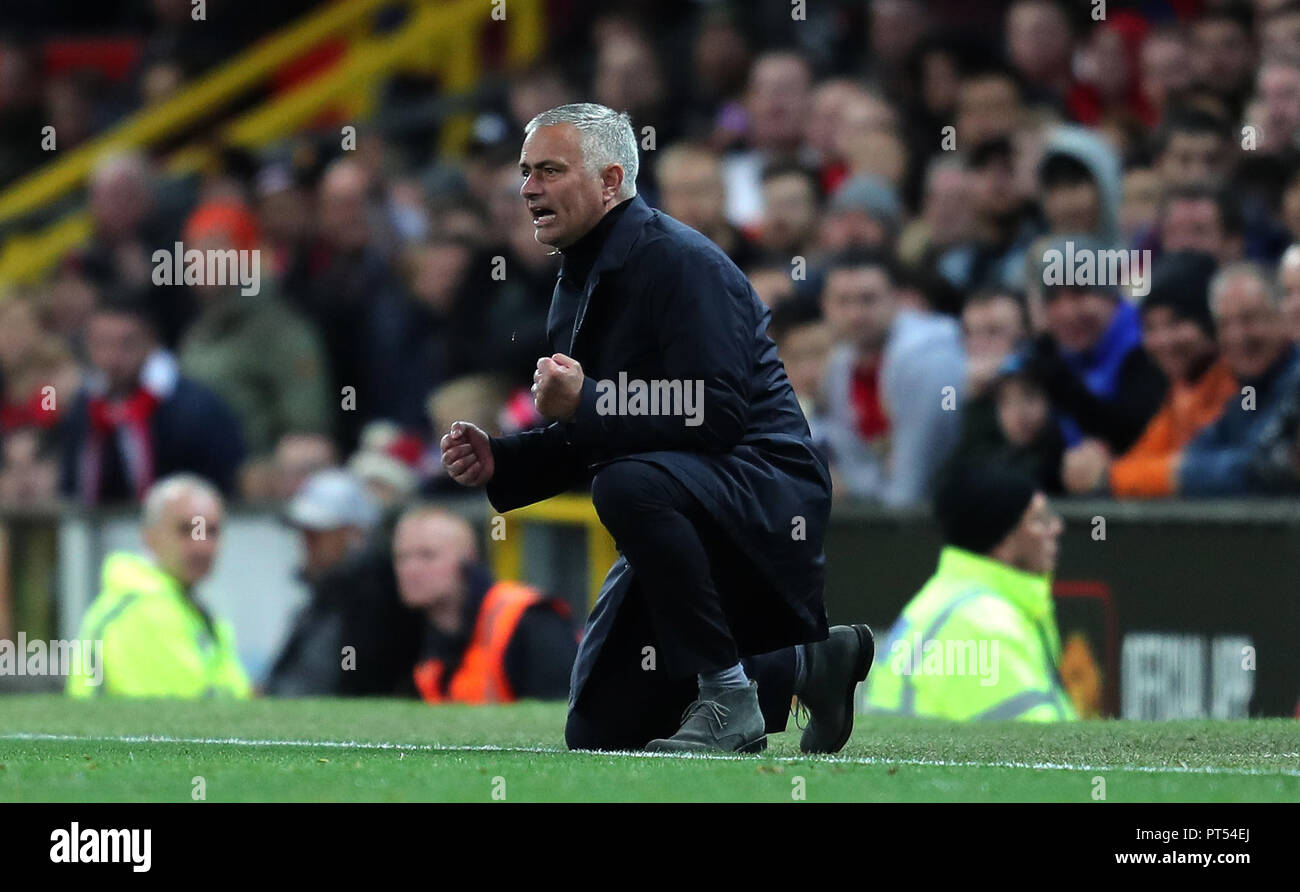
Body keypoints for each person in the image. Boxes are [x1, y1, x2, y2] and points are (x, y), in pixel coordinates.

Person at [439, 103, 872, 754]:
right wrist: (505, 460)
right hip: (681, 491)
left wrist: (590, 399)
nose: (528, 188)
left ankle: (730, 697)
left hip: (764, 486)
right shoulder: (579, 278)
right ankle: (809, 665)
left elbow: (718, 411)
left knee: (626, 484)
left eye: (550, 171)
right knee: (598, 731)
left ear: (611, 181)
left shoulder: (680, 262)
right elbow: (602, 428)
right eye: (527, 172)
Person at [864, 460, 1077, 722]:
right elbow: (1044, 745)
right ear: (1003, 540)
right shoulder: (981, 624)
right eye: (1039, 519)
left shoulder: (958, 603)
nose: (1056, 527)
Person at [66, 474, 251, 699]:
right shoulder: (143, 609)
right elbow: (193, 710)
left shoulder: (187, 606)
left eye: (211, 531)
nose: (201, 546)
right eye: (186, 530)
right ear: (149, 537)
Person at [58, 294, 248, 504]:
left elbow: (222, 486)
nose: (112, 358)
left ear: (150, 342)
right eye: (102, 344)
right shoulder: (83, 406)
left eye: (126, 344)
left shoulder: (194, 408)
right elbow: (70, 486)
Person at [819, 250, 966, 506]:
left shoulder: (927, 358)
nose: (855, 314)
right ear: (825, 305)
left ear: (897, 299)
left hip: (942, 511)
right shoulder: (839, 365)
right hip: (884, 505)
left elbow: (915, 476)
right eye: (843, 302)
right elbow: (851, 460)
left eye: (868, 300)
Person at [394, 506, 576, 703]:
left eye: (428, 555)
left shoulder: (527, 615)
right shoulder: (421, 639)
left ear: (468, 559)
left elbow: (562, 707)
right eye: (401, 557)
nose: (410, 569)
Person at [263, 469, 419, 696]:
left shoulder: (377, 603)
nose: (305, 545)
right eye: (304, 534)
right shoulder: (325, 599)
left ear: (354, 534)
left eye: (315, 535)